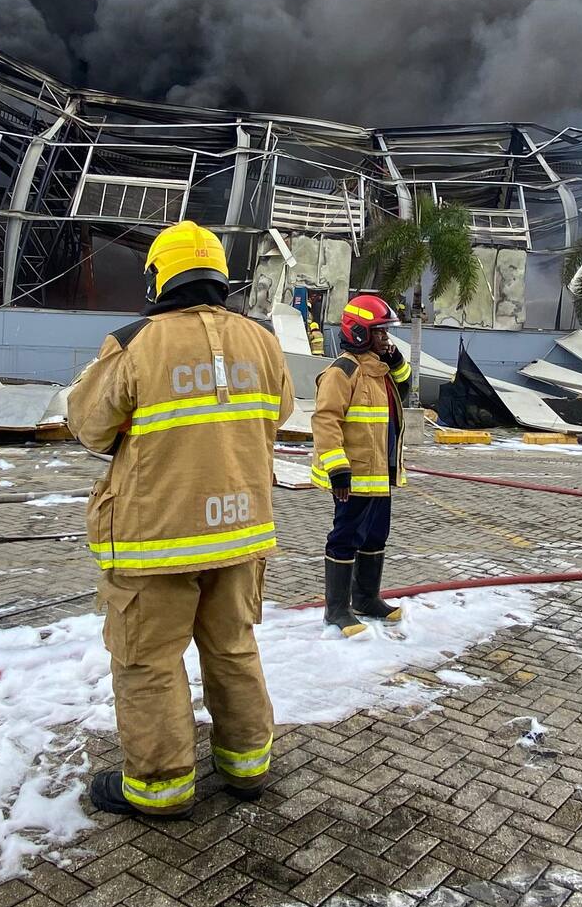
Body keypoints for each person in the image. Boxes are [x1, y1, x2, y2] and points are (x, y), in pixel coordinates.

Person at [67, 221, 294, 818]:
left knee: (148, 661)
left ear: (158, 277)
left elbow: (89, 426)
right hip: (241, 530)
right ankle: (247, 765)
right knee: (234, 647)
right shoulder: (264, 341)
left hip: (155, 538)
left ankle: (161, 786)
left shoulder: (135, 342)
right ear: (219, 275)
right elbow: (280, 412)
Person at [310, 295, 412, 637]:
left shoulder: (380, 369)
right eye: (380, 333)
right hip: (352, 476)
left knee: (375, 536)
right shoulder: (343, 371)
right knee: (346, 537)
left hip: (380, 473)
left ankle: (367, 598)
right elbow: (326, 421)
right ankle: (336, 609)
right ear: (358, 333)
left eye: (387, 333)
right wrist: (337, 469)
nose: (387, 340)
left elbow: (406, 386)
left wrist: (394, 357)